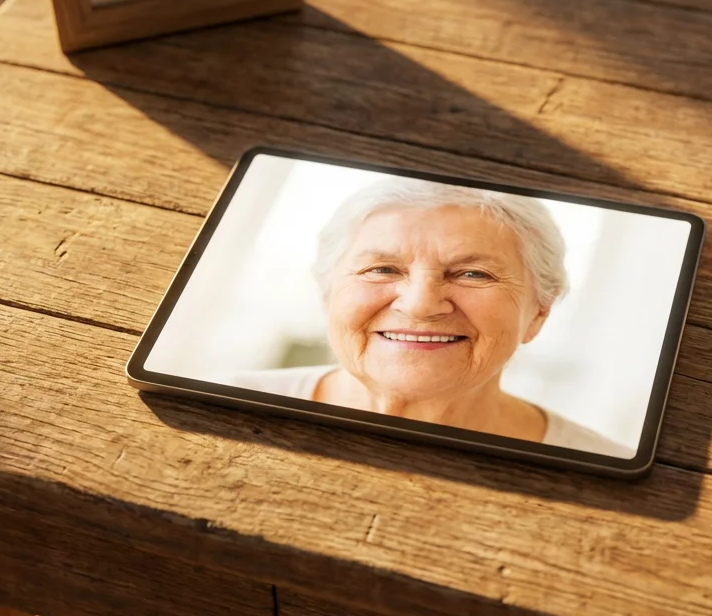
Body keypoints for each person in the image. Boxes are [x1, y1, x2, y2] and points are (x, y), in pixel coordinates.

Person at [225, 179, 625, 456]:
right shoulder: (227, 407)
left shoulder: (602, 465)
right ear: (327, 294)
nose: (420, 305)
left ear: (539, 313)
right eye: (382, 269)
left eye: (473, 274)